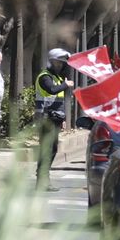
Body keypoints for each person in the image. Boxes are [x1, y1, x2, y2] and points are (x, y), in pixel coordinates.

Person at [35, 48, 73, 190]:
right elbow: (52, 90)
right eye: (58, 63)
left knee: (52, 150)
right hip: (46, 118)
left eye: (61, 64)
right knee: (46, 150)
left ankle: (44, 179)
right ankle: (42, 181)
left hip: (55, 118)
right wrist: (65, 84)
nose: (60, 66)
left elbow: (58, 100)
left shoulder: (56, 77)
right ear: (51, 62)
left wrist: (62, 118)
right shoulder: (45, 76)